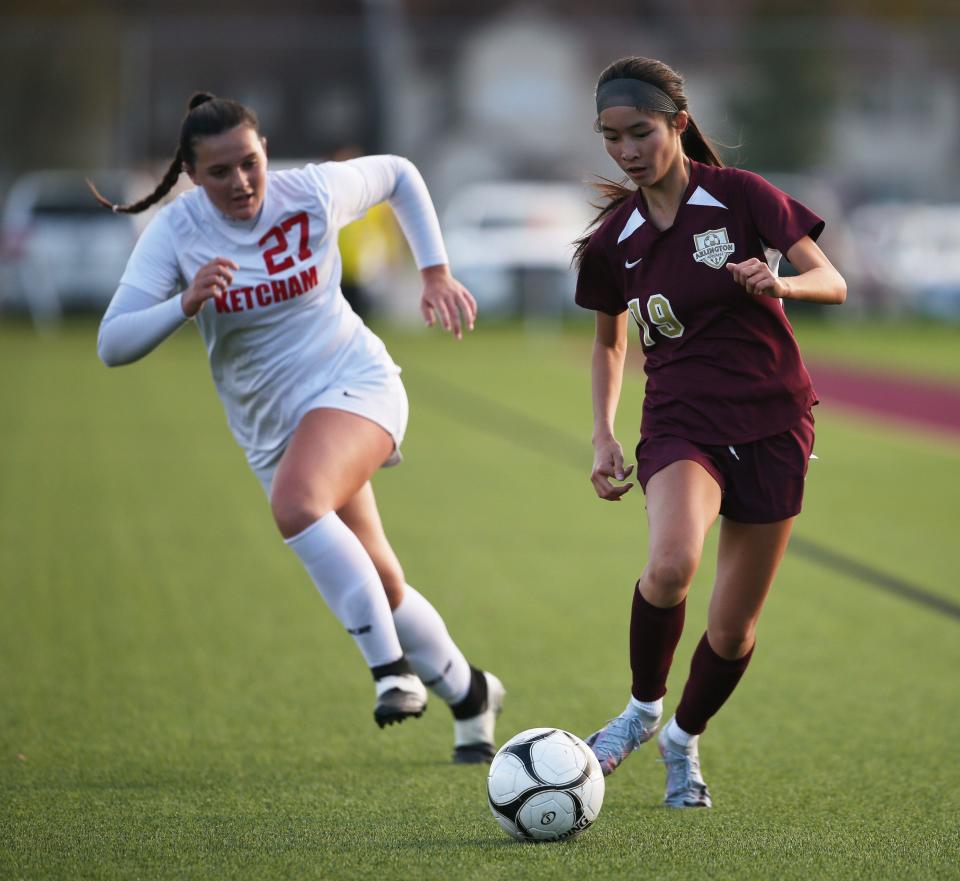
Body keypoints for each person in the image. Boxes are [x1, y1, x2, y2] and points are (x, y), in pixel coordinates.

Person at [91, 92, 505, 764]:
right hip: (271, 428)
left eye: (249, 162)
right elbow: (113, 343)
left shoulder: (308, 191)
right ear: (194, 178)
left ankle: (390, 671)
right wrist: (184, 303)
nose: (241, 182)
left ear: (263, 152)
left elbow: (400, 172)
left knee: (297, 503)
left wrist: (435, 271)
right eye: (220, 172)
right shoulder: (177, 232)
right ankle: (472, 693)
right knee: (381, 580)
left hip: (357, 383)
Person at [573, 57, 845, 807]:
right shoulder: (613, 240)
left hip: (774, 421)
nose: (627, 151)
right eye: (611, 138)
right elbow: (607, 341)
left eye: (640, 133)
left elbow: (834, 280)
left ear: (678, 125)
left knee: (731, 633)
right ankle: (639, 711)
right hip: (681, 422)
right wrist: (602, 434)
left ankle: (683, 739)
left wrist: (780, 281)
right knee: (669, 566)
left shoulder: (742, 198)